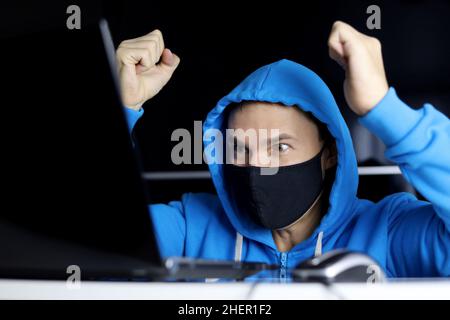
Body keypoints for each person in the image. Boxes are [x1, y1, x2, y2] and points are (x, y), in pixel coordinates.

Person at [115, 21, 450, 278]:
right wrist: (119, 108)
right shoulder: (190, 228)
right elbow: (79, 232)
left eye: (280, 147)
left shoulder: (388, 234)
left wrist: (382, 108)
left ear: (330, 152)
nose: (258, 165)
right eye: (239, 148)